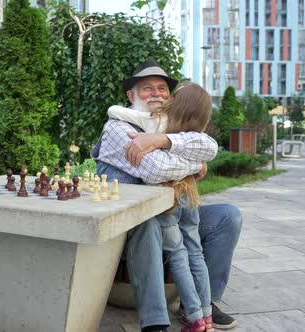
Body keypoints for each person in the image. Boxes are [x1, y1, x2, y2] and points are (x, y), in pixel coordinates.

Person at [91, 60, 242, 332]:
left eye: (162, 88)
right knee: (147, 220)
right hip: (126, 226)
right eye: (147, 88)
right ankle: (155, 321)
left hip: (170, 217)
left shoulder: (168, 127)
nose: (156, 93)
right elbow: (155, 170)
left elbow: (209, 147)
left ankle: (199, 304)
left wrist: (162, 141)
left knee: (227, 217)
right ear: (131, 95)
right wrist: (196, 165)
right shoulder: (117, 127)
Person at [109, 82, 217, 332]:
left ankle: (196, 318)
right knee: (195, 252)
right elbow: (207, 150)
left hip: (169, 198)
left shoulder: (158, 124)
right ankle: (207, 316)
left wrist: (152, 138)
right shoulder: (194, 136)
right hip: (190, 193)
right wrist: (195, 165)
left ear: (175, 103)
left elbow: (118, 112)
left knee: (179, 254)